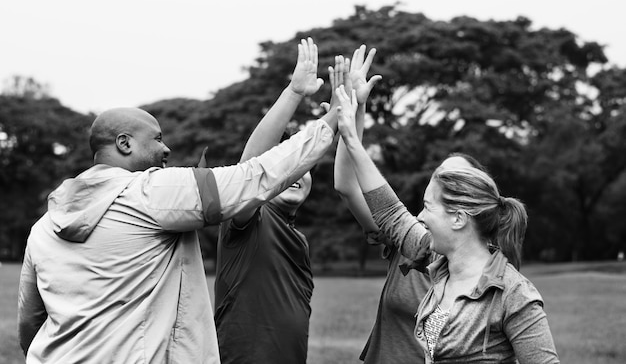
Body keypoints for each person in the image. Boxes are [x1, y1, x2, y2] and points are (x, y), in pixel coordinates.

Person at [17, 51, 339, 363]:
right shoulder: (151, 192)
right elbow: (254, 176)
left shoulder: (43, 227)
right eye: (157, 139)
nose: (166, 148)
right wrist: (333, 118)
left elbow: (31, 322)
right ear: (124, 143)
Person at [334, 85, 560, 363]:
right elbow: (390, 210)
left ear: (458, 217)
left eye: (428, 207)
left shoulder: (514, 295)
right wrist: (351, 139)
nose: (419, 217)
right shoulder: (438, 264)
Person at [333, 47, 489, 363]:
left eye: (460, 181)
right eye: (443, 178)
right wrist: (358, 110)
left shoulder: (490, 269)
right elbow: (347, 186)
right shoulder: (408, 237)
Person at [211, 38, 325, 364]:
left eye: (304, 169)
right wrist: (294, 93)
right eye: (287, 169)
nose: (297, 175)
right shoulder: (249, 217)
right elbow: (250, 168)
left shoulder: (298, 239)